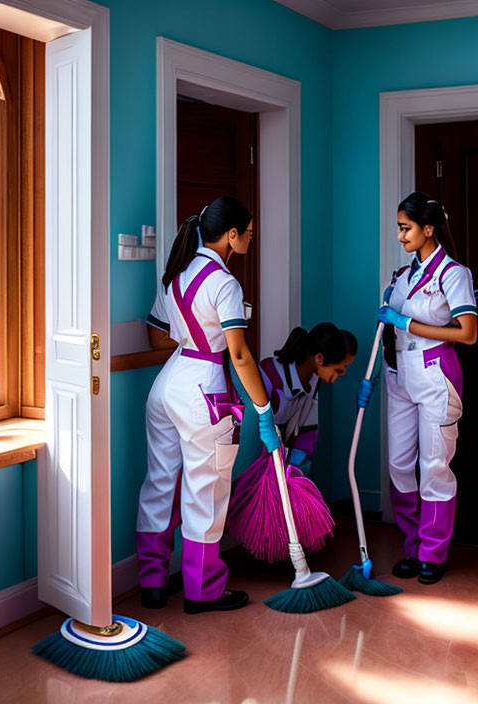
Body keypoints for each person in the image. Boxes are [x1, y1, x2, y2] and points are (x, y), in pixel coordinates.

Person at [135, 196, 280, 614]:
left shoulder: (176, 274)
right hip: (204, 388)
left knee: (160, 482)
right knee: (206, 491)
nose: (251, 239)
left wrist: (191, 340)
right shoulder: (224, 283)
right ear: (231, 235)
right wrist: (264, 407)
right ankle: (203, 592)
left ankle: (152, 584)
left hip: (168, 384)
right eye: (249, 233)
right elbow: (239, 355)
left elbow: (155, 336)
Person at [371, 192, 477, 585]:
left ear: (427, 229)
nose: (400, 236)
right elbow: (388, 324)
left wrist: (407, 322)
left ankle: (432, 552)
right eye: (399, 228)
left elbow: (467, 333)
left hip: (435, 373)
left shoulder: (453, 274)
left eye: (405, 228)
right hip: (399, 373)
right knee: (400, 463)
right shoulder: (400, 276)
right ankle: (413, 546)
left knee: (433, 466)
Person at [259, 323, 357, 472]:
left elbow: (308, 433)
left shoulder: (313, 382)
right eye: (337, 370)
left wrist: (294, 466)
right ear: (319, 358)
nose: (337, 377)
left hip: (283, 462)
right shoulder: (270, 373)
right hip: (258, 460)